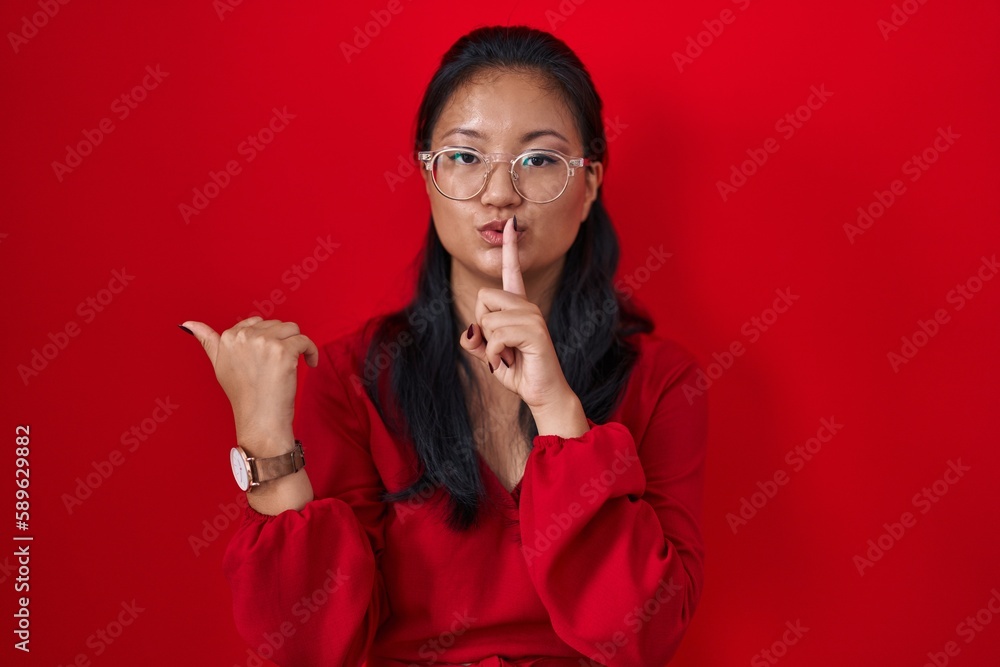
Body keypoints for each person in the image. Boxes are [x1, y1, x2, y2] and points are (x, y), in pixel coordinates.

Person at [181, 25, 706, 667]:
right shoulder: (352, 379)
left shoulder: (662, 379)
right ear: (426, 174)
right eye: (464, 156)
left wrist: (557, 410)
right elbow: (307, 648)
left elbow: (642, 637)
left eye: (538, 160)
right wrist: (265, 444)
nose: (499, 193)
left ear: (590, 183)